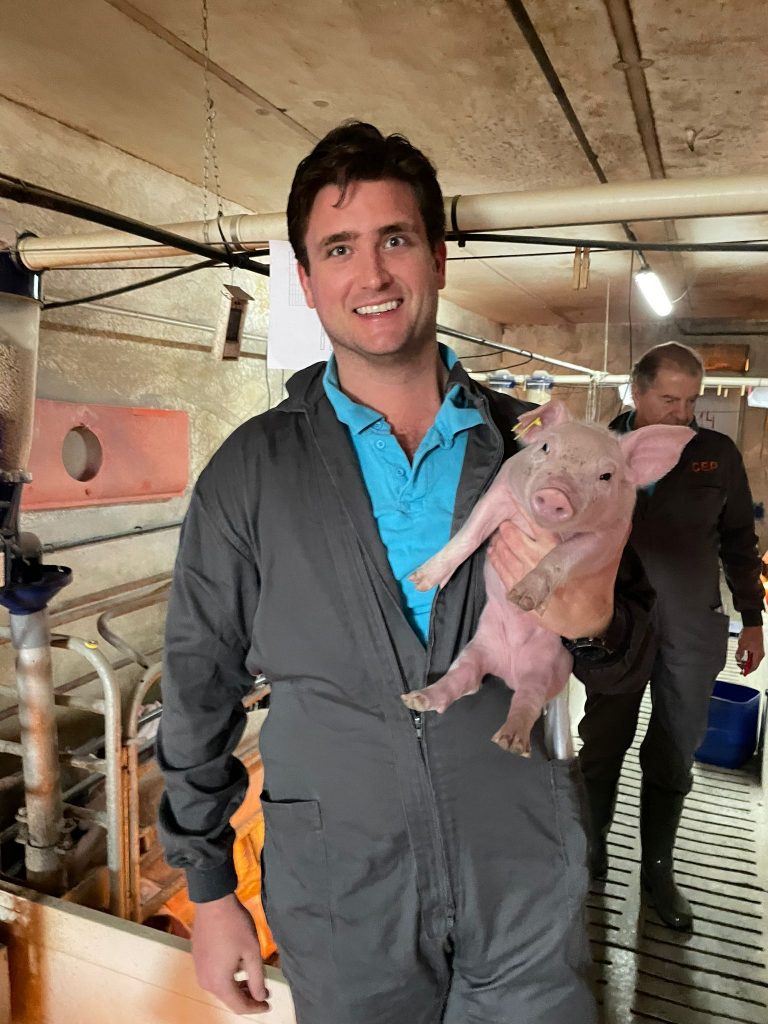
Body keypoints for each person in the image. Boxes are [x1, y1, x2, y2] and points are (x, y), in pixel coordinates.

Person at [157, 121, 657, 1024]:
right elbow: (199, 683)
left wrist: (598, 620)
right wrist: (210, 888)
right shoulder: (251, 471)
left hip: (522, 874)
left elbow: (632, 659)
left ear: (437, 258)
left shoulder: (548, 456)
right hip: (343, 889)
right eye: (338, 248)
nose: (372, 274)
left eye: (395, 239)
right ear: (306, 282)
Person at [578, 342, 765, 932]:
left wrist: (753, 617)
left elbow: (739, 540)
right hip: (615, 624)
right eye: (669, 400)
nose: (683, 414)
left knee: (676, 747)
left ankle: (658, 868)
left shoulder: (716, 454)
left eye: (691, 401)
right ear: (637, 392)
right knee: (603, 740)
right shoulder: (596, 450)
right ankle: (591, 851)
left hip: (691, 620)